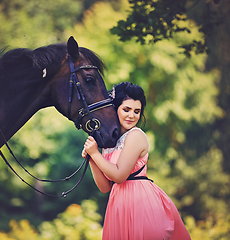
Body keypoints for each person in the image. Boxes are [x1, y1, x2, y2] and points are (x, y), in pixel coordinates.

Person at [82, 82, 191, 240]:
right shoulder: (110, 142)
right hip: (118, 203)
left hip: (140, 202)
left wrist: (95, 153)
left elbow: (119, 176)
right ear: (115, 108)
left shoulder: (136, 136)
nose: (131, 116)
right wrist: (92, 158)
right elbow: (105, 187)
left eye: (137, 111)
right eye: (126, 109)